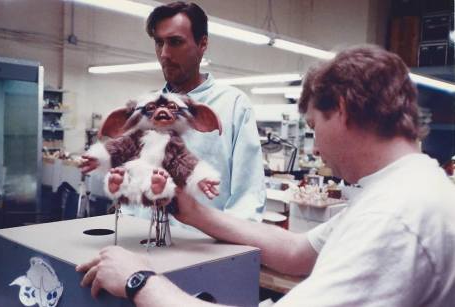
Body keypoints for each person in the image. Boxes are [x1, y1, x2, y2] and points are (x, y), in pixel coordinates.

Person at [77, 45, 455, 306]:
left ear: (340, 110)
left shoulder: (396, 215)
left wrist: (139, 280)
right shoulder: (399, 190)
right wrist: (194, 211)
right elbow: (297, 251)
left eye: (313, 126)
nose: (315, 147)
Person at [80, 1, 266, 221]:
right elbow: (130, 168)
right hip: (141, 237)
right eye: (159, 43)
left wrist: (229, 251)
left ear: (202, 44)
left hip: (204, 245)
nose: (165, 54)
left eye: (176, 42)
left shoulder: (233, 105)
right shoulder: (145, 109)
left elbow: (248, 198)